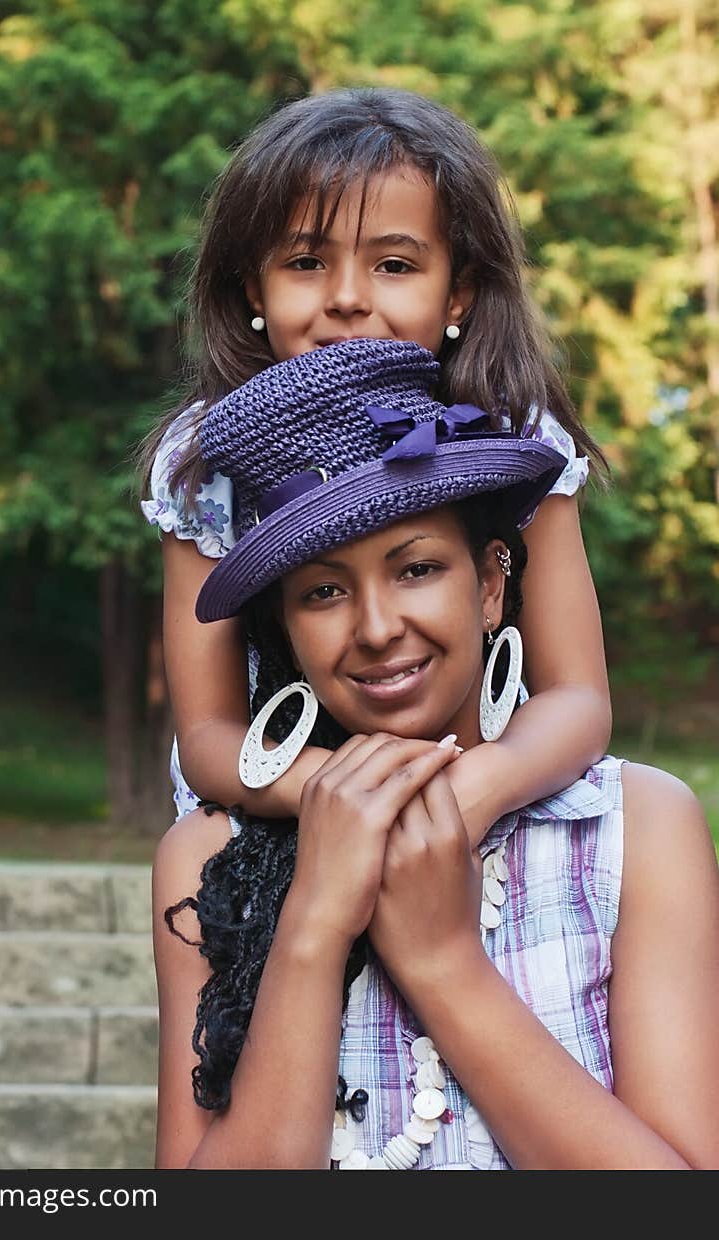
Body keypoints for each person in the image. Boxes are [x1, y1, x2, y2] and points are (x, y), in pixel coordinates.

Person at [151, 340, 719, 1170]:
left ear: (491, 585)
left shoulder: (633, 831)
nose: (377, 628)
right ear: (288, 628)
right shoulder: (208, 859)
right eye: (324, 591)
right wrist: (313, 922)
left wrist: (442, 961)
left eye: (415, 568)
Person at [140, 87, 612, 850]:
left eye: (394, 264)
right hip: (292, 809)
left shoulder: (515, 425)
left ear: (457, 291)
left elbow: (579, 698)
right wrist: (348, 799)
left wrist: (469, 791)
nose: (349, 299)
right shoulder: (206, 463)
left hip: (498, 795)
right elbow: (209, 733)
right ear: (254, 286)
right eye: (305, 262)